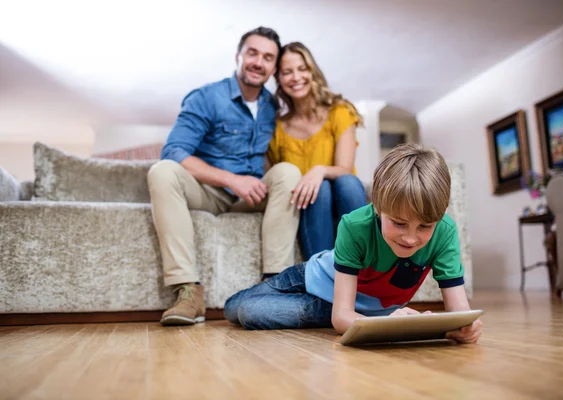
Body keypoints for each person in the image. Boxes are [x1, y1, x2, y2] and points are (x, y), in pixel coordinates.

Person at [224, 143, 483, 344]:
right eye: (399, 223)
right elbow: (342, 317)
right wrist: (383, 324)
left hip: (344, 310)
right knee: (236, 309)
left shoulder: (444, 231)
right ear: (379, 208)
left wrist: (462, 326)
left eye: (425, 226)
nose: (410, 238)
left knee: (250, 312)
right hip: (314, 279)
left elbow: (458, 309)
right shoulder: (355, 224)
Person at [148, 27, 302, 326]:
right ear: (238, 56)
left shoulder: (272, 107)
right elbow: (174, 151)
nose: (259, 62)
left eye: (268, 57)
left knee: (288, 172)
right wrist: (232, 180)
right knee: (162, 171)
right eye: (252, 53)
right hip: (207, 192)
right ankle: (187, 291)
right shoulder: (207, 97)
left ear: (274, 67)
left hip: (251, 197)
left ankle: (275, 285)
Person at [267, 42, 367, 260]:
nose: (296, 77)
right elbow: (274, 180)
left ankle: (360, 267)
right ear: (279, 80)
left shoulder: (340, 111)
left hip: (345, 198)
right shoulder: (276, 128)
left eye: (302, 69)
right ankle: (323, 275)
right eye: (287, 72)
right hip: (310, 207)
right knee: (319, 190)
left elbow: (345, 169)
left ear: (313, 71)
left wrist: (319, 170)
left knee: (347, 182)